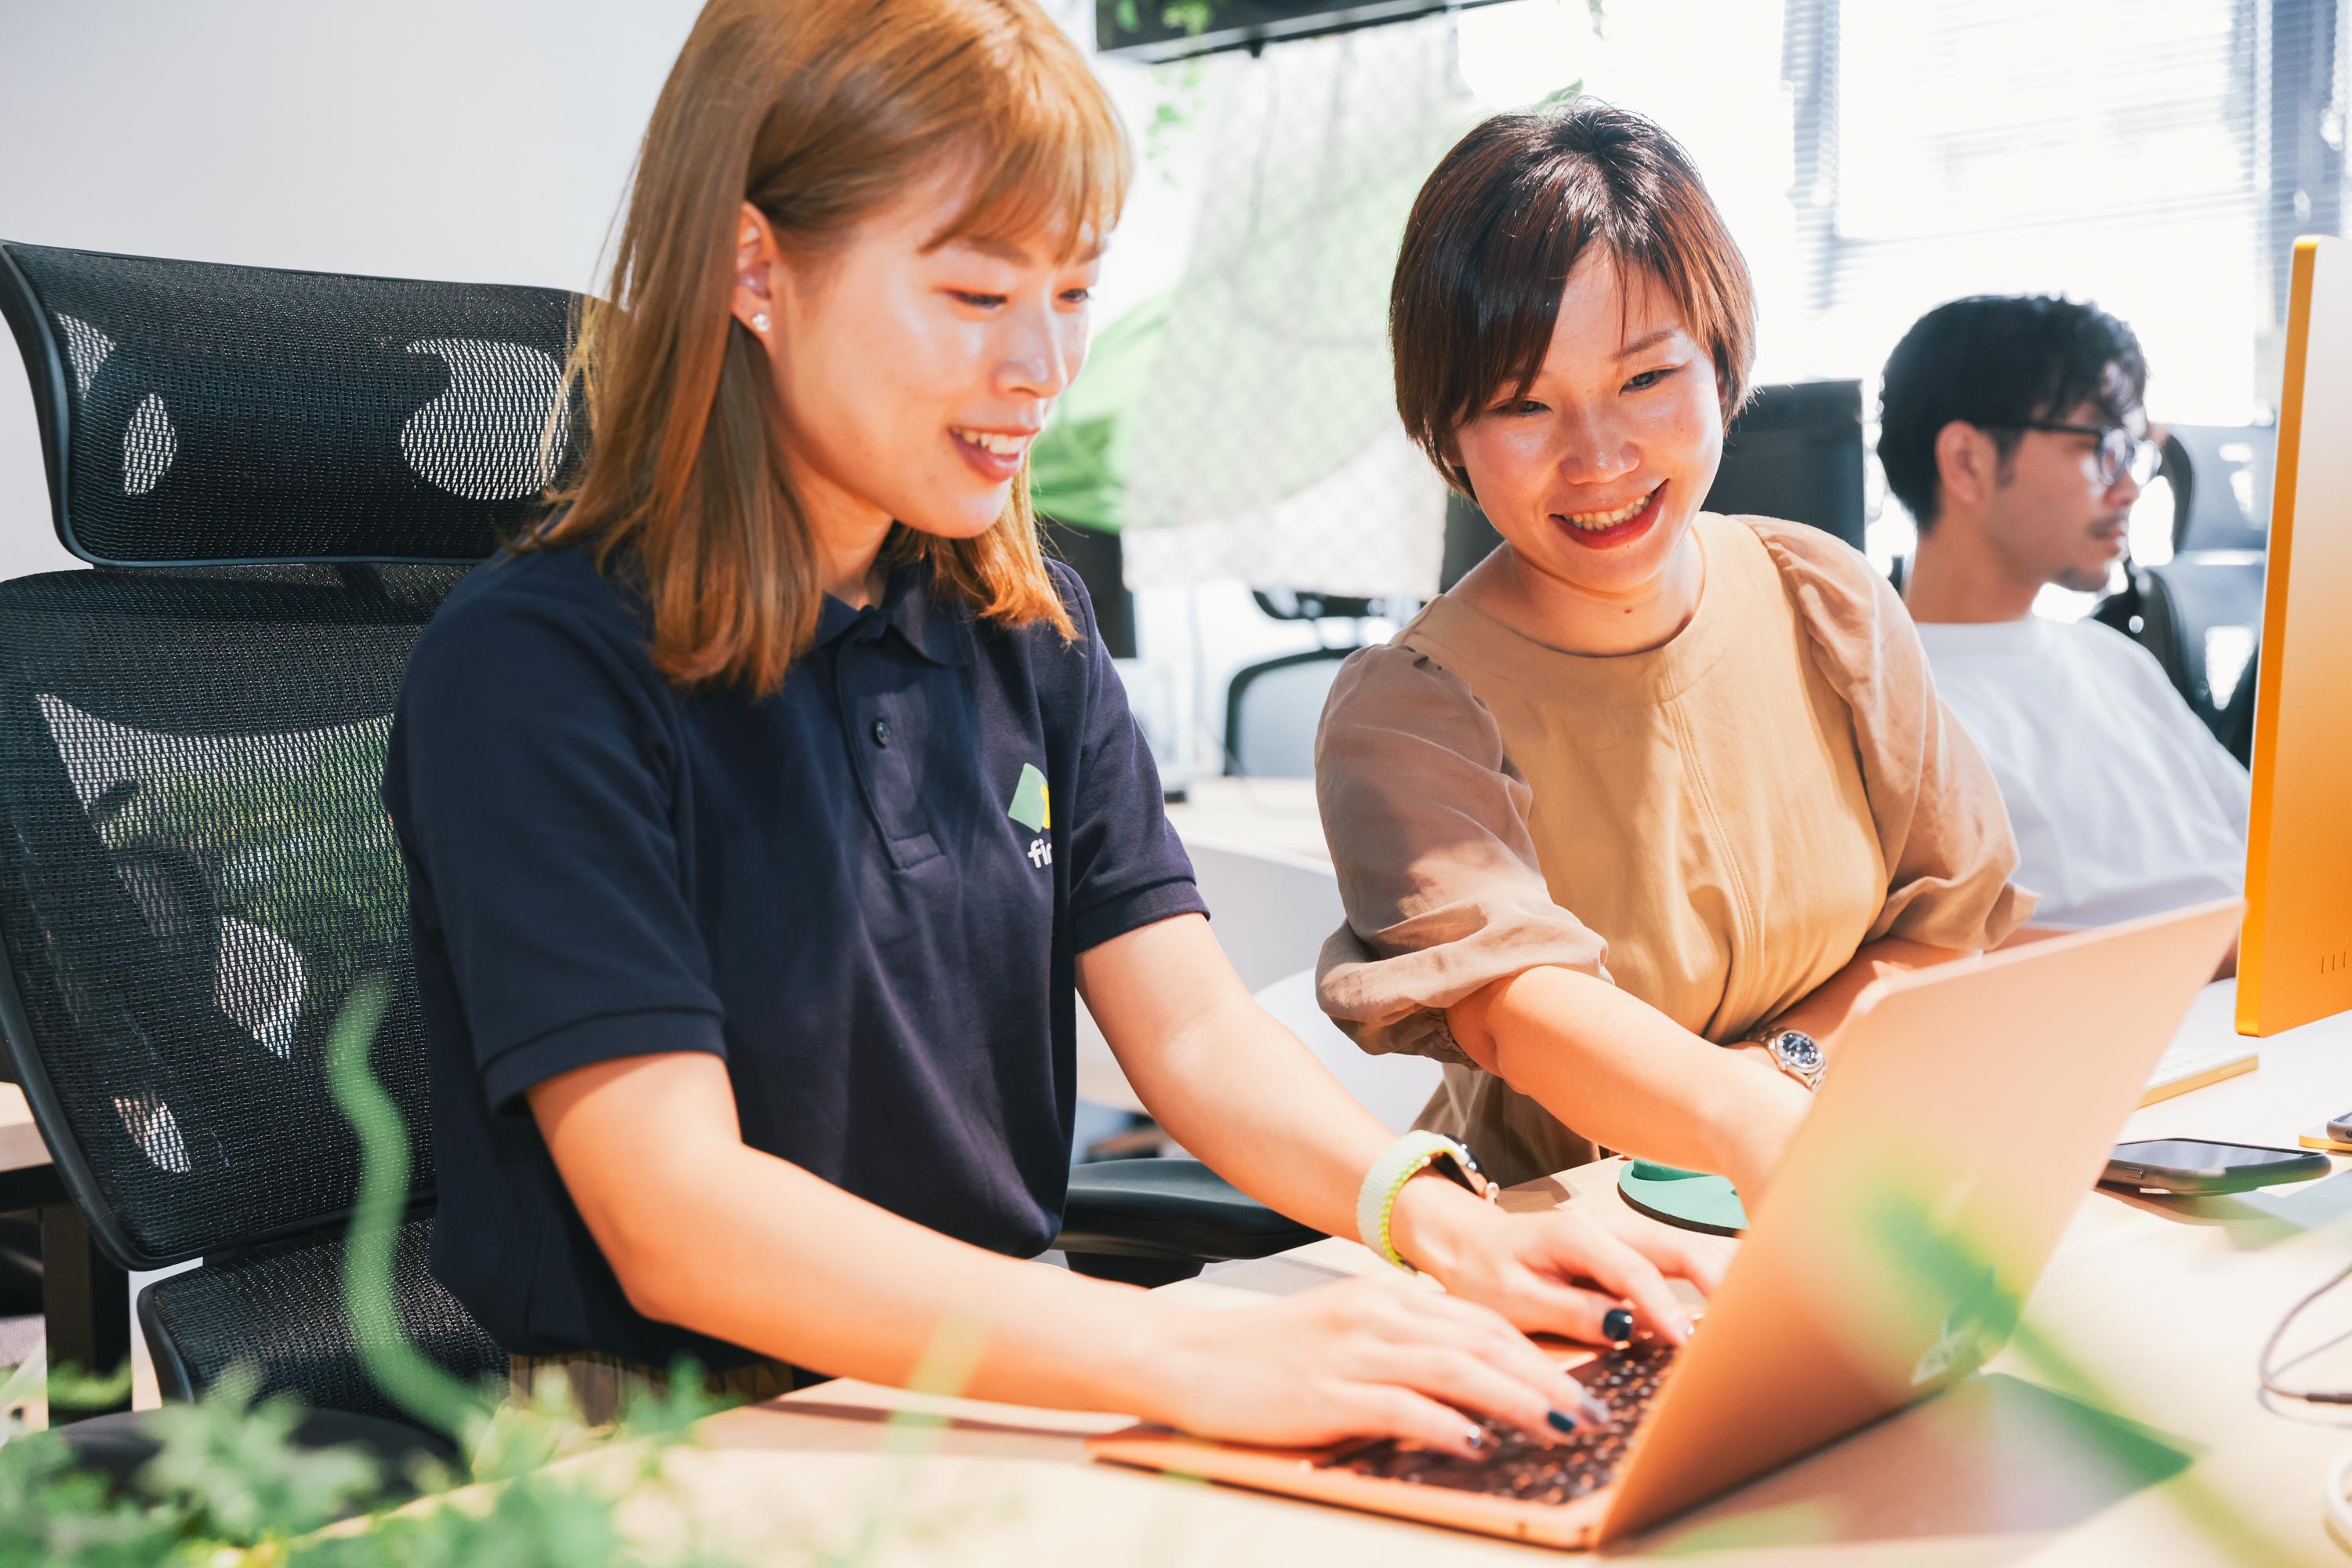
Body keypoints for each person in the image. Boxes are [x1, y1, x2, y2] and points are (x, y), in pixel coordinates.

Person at [383, 0, 1725, 1454]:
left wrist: (1432, 1215)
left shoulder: (1029, 630)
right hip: (673, 1437)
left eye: (1073, 292)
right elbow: (678, 1219)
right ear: (754, 269)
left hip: (1011, 1372)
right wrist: (1181, 1354)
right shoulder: (536, 670)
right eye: (975, 295)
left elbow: (1195, 1029)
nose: (1043, 364)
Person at [1314, 102, 2034, 1197]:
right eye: (1521, 403)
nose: (1597, 456)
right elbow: (1523, 1014)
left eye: (1647, 379)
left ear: (1722, 365)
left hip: (1852, 1174)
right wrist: (1761, 1116)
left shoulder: (1825, 602)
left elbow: (1946, 929)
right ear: (1447, 431)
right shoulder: (1408, 712)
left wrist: (1779, 1075)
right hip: (1575, 1240)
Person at [1883, 296, 2250, 948]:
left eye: (2134, 452)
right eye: (2104, 448)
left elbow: (2278, 859)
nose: (2131, 487)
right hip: (2156, 1031)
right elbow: (1968, 962)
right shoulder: (1897, 709)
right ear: (1967, 462)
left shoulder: (2115, 660)